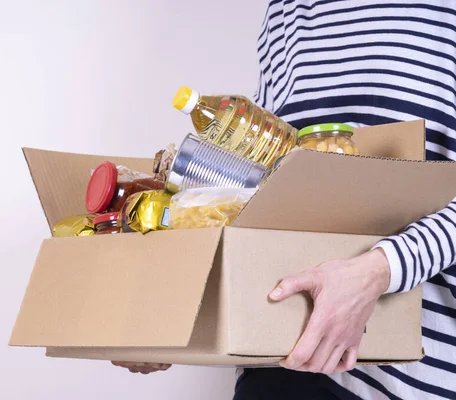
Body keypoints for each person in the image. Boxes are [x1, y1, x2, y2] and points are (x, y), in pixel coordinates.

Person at [113, 1, 456, 399]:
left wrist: (378, 271)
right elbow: (270, 179)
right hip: (279, 352)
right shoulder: (286, 10)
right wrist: (176, 311)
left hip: (408, 370)